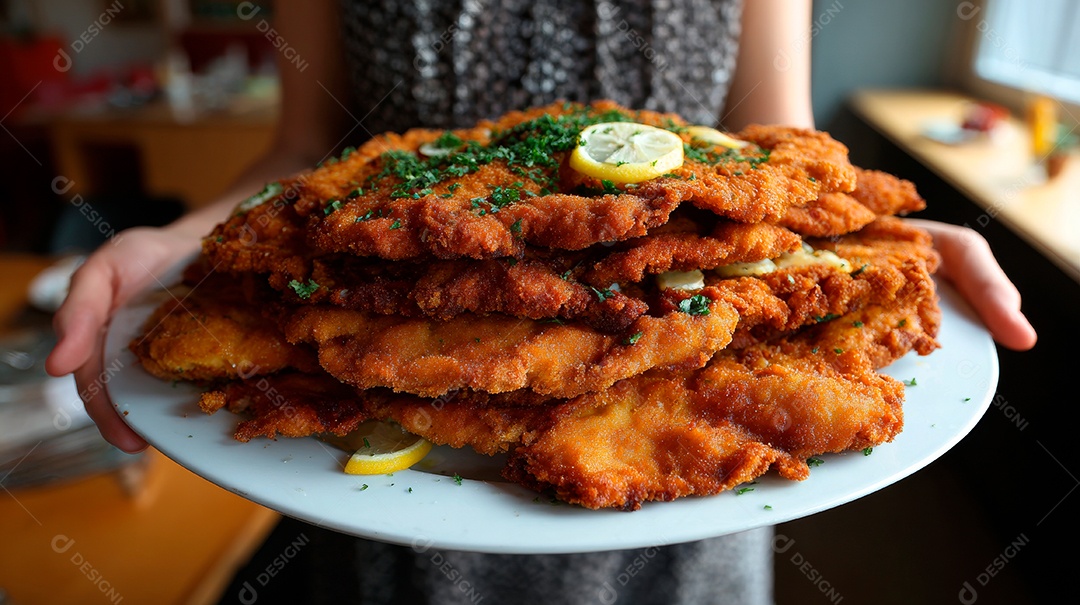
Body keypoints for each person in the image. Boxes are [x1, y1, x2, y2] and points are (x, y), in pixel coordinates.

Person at [46, 1, 1037, 603]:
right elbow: (305, 159)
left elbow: (771, 145)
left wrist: (873, 241)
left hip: (688, 443)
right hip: (392, 490)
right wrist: (183, 241)